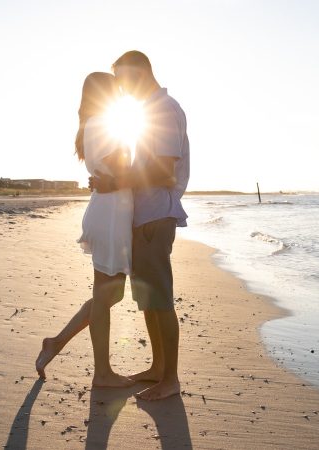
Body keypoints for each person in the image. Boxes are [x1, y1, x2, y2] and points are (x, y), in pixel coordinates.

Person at [91, 50, 190, 401]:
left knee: (160, 301)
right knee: (149, 300)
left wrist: (114, 181)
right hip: (144, 217)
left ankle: (171, 379)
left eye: (121, 79)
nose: (119, 88)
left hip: (155, 217)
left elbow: (162, 171)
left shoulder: (164, 110)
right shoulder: (149, 111)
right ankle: (158, 367)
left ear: (138, 73)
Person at [35, 72, 134, 388]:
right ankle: (102, 373)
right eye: (115, 89)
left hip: (109, 212)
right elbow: (125, 170)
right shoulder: (101, 125)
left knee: (110, 293)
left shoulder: (95, 124)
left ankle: (56, 343)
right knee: (106, 295)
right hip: (109, 217)